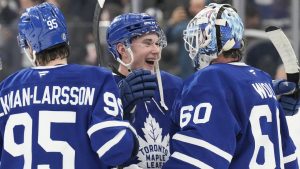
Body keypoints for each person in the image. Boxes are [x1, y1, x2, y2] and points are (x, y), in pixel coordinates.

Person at [0, 2, 138, 168]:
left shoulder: (6, 88)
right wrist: (125, 116)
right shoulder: (97, 80)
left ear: (29, 47)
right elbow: (115, 151)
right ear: (65, 37)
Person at [162, 3, 298, 168]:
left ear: (210, 41)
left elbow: (198, 160)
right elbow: (289, 158)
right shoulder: (261, 77)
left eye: (198, 37)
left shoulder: (210, 80)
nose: (194, 44)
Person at [106, 13, 183, 168]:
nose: (156, 51)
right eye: (147, 43)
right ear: (122, 49)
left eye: (157, 43)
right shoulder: (103, 89)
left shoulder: (174, 86)